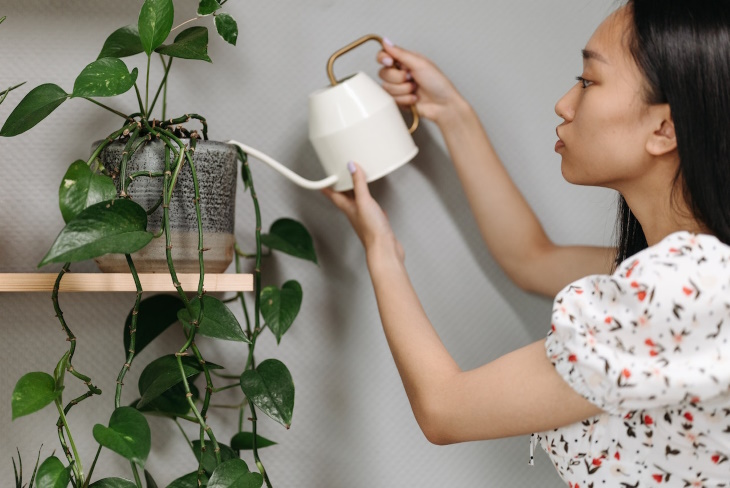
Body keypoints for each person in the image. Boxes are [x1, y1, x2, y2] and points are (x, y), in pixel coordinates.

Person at [323, 0, 730, 485]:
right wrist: (453, 112)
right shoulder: (695, 275)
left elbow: (444, 408)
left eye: (588, 81)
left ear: (664, 129)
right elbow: (531, 258)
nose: (564, 103)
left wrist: (381, 250)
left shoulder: (683, 289)